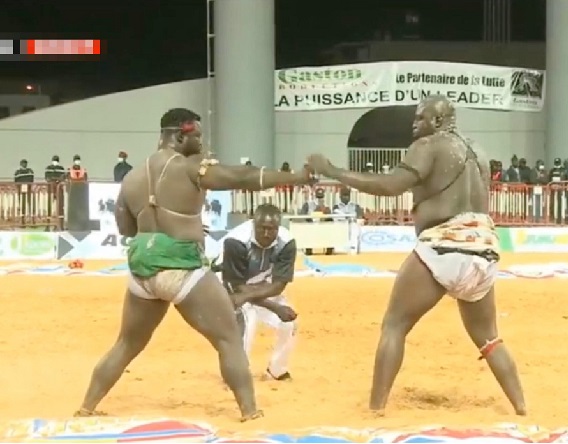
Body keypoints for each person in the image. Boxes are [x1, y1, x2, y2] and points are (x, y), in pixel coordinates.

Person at [75, 108, 314, 421]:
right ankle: (250, 411)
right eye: (197, 136)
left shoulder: (132, 178)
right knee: (229, 339)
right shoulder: (190, 167)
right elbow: (241, 177)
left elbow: (126, 227)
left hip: (142, 269)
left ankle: (87, 407)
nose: (202, 143)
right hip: (182, 267)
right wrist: (295, 177)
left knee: (126, 343)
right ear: (179, 135)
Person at [307, 95, 526, 416]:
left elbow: (391, 185)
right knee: (489, 338)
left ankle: (375, 409)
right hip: (484, 248)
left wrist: (333, 171)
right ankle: (521, 407)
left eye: (420, 118)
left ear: (437, 121)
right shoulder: (478, 151)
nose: (414, 125)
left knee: (394, 325)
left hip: (444, 244)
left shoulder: (428, 145)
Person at [214, 204, 298, 381]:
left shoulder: (286, 243)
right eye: (262, 228)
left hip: (260, 289)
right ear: (253, 224)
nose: (266, 234)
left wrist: (272, 305)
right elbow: (236, 287)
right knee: (247, 321)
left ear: (279, 227)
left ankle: (277, 370)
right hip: (230, 289)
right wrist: (275, 307)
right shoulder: (236, 241)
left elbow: (279, 285)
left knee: (289, 323)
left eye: (272, 229)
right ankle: (237, 373)